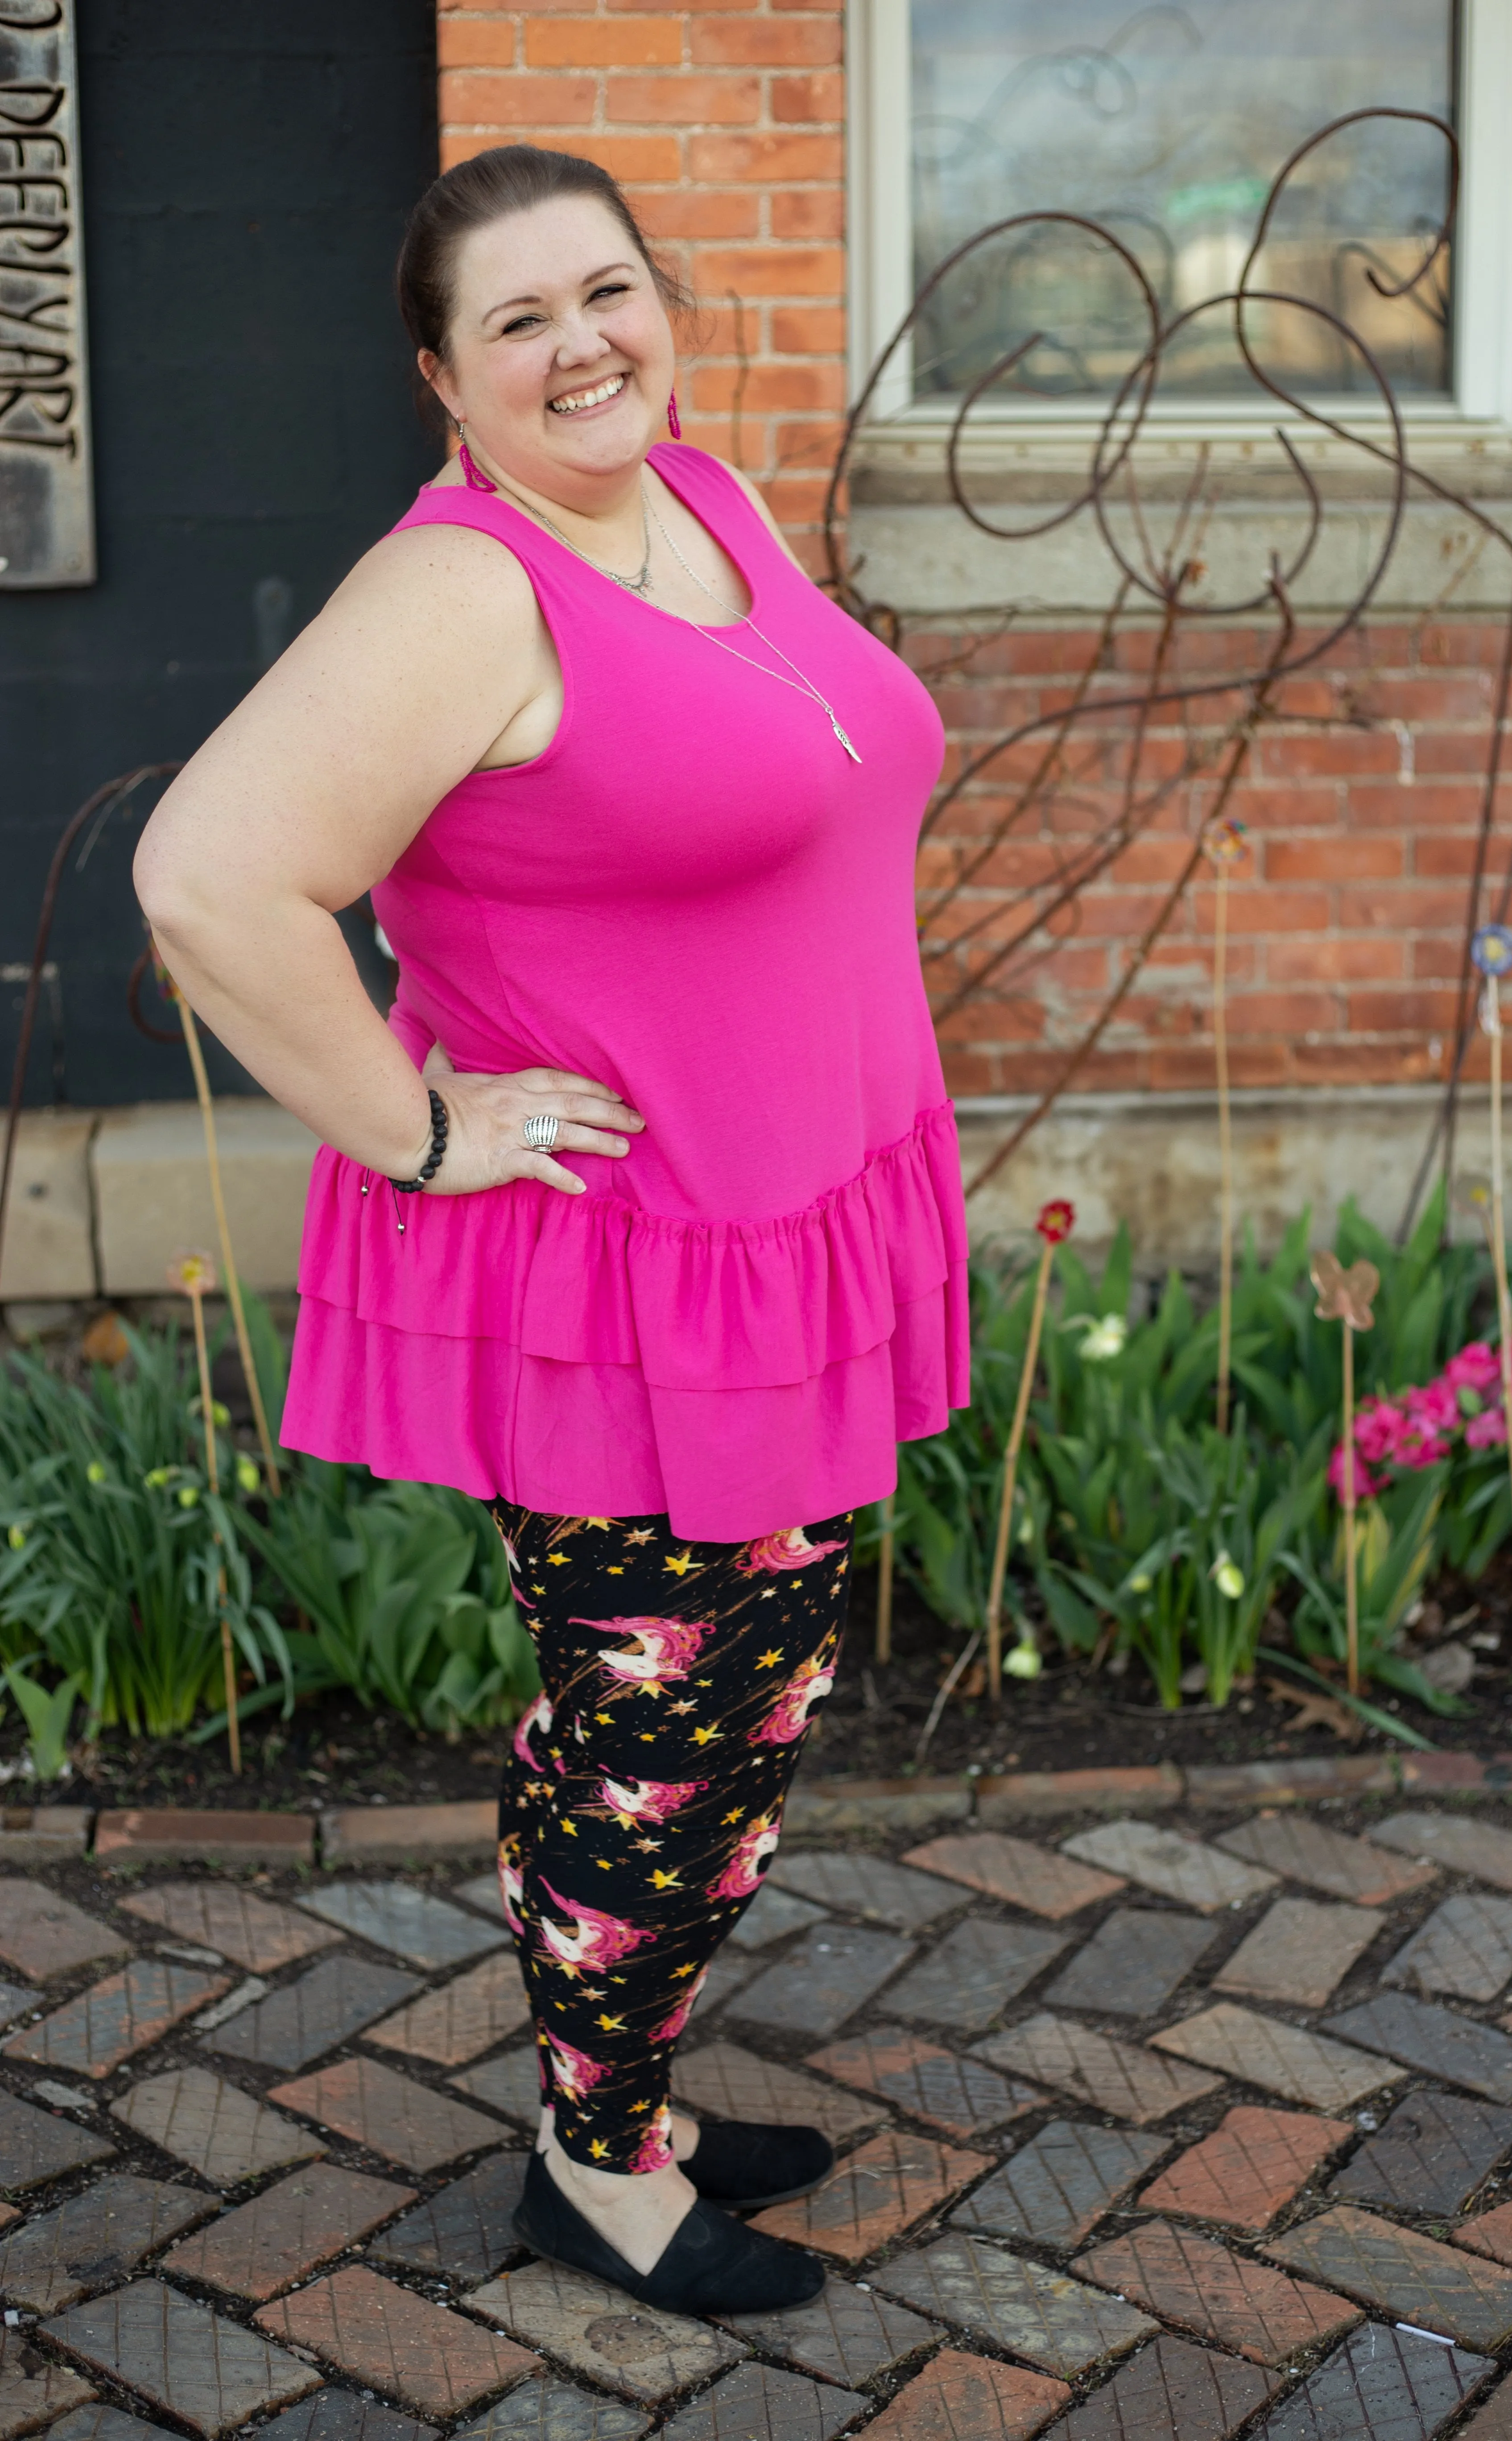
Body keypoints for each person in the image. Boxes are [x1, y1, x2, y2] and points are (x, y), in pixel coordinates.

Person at [134, 144, 968, 2314]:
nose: (583, 342)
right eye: (520, 321)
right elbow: (212, 876)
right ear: (445, 379)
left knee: (738, 1718)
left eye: (607, 291)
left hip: (785, 1231)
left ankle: (635, 2099)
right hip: (627, 1279)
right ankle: (596, 2171)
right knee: (658, 1738)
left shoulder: (697, 501)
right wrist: (414, 1129)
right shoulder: (461, 596)